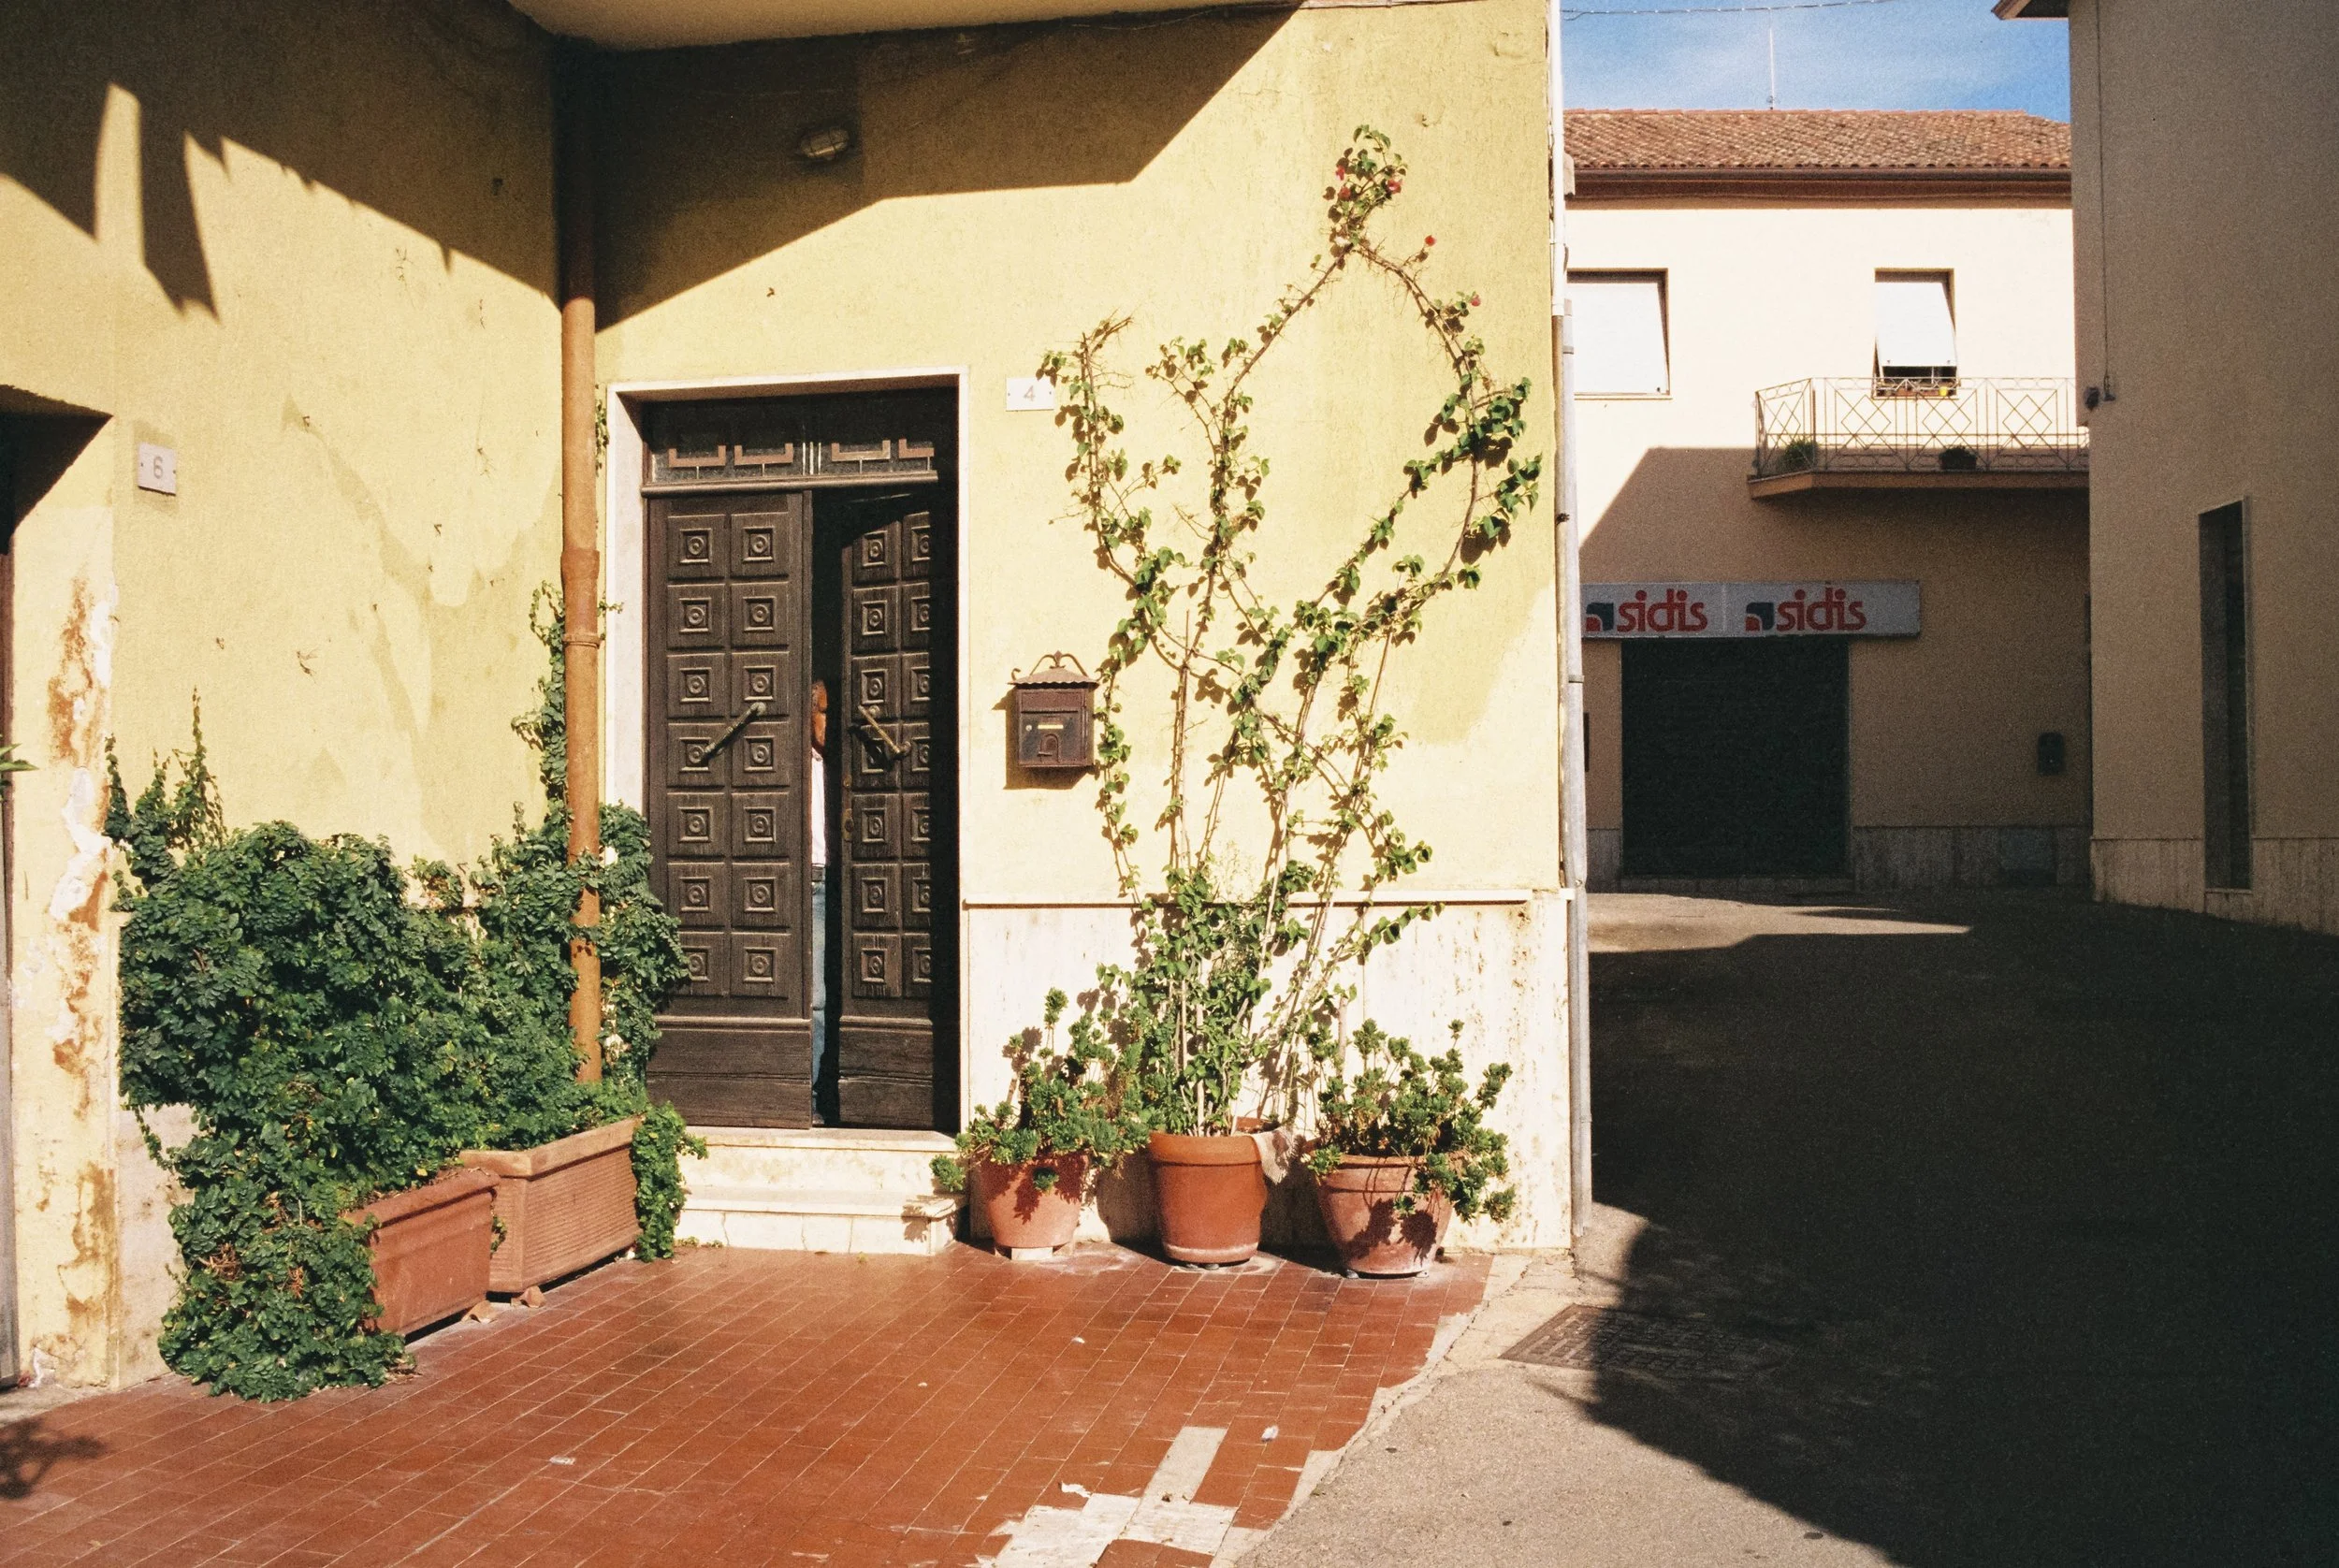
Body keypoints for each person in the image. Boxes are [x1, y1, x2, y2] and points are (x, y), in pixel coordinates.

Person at [808, 677, 830, 1123]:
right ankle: (805, 1098)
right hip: (807, 883)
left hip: (835, 883)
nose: (829, 722)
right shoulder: (798, 765)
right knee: (813, 998)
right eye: (824, 712)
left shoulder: (836, 764)